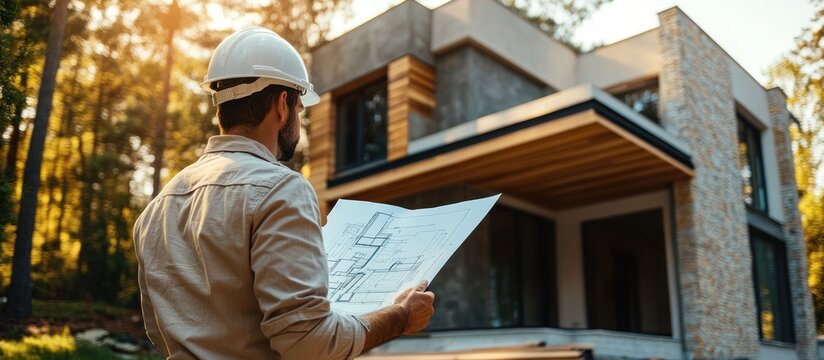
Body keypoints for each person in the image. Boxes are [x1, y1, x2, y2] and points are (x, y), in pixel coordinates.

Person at [133, 27, 435, 359]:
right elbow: (308, 341)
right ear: (281, 105)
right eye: (300, 107)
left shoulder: (156, 210)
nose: (299, 119)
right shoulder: (280, 189)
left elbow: (159, 331)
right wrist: (400, 317)